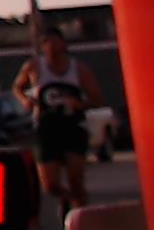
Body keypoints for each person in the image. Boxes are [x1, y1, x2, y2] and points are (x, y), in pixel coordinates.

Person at [15, 27, 104, 210]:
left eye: (55, 42)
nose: (51, 47)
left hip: (72, 125)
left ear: (63, 44)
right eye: (46, 43)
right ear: (42, 47)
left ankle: (80, 213)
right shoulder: (34, 67)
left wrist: (79, 104)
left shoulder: (78, 69)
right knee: (50, 185)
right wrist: (25, 100)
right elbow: (17, 87)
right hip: (46, 126)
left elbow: (97, 99)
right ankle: (66, 200)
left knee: (76, 179)